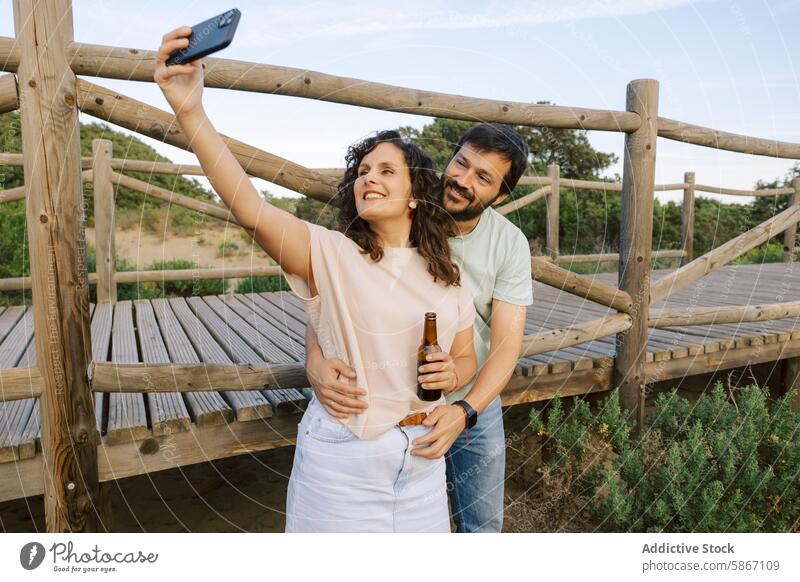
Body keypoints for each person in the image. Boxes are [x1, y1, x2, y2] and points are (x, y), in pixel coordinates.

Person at [154, 27, 477, 533]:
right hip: (344, 463)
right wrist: (191, 110)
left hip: (425, 463)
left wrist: (453, 377)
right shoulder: (331, 253)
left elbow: (465, 355)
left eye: (389, 171)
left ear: (416, 194)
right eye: (364, 170)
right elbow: (251, 210)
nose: (370, 177)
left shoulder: (450, 277)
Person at [306, 123, 532, 533]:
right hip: (393, 405)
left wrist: (465, 410)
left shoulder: (509, 243)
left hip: (471, 398)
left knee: (481, 524)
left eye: (483, 178)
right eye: (460, 163)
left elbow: (506, 345)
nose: (462, 181)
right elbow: (333, 294)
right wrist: (315, 361)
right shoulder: (396, 210)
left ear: (499, 196)